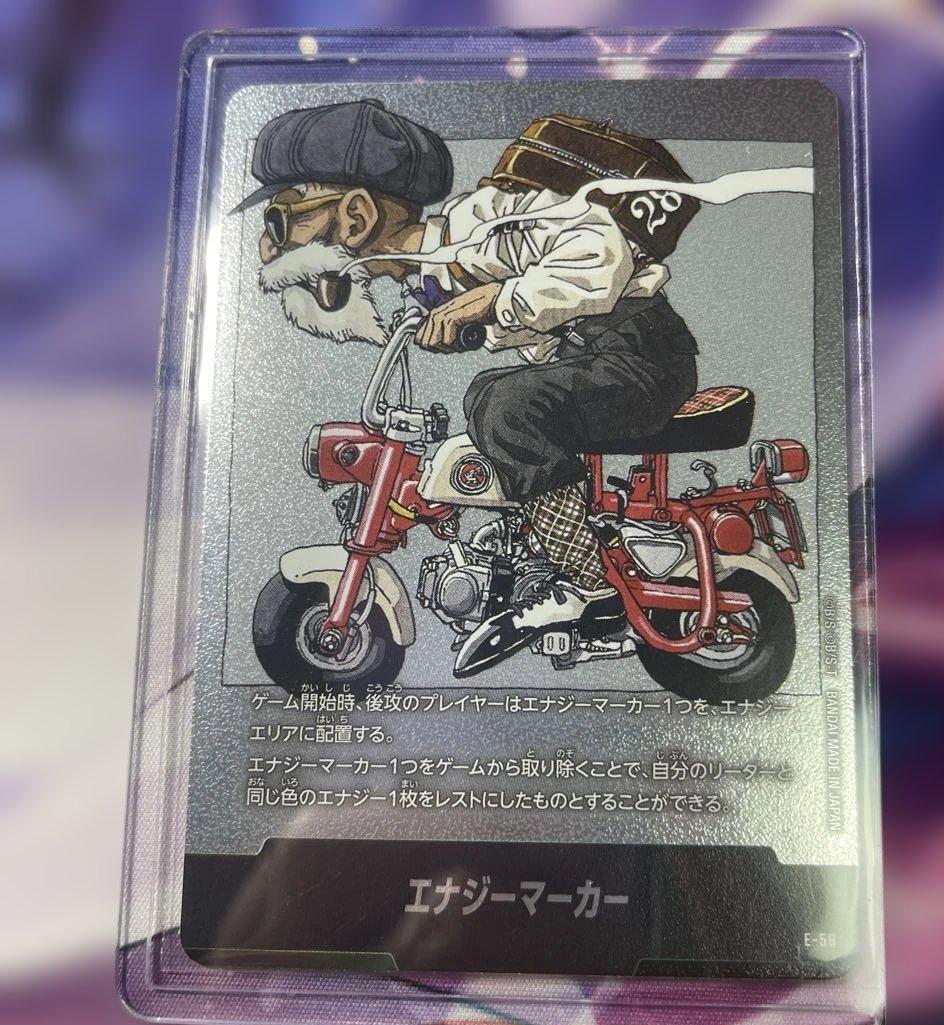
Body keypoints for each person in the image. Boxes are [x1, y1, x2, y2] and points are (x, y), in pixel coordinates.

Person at [238, 100, 698, 676]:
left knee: (507, 406)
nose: (267, 249)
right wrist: (466, 319)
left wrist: (494, 300)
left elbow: (599, 254)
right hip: (593, 359)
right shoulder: (434, 278)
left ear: (356, 217)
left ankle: (589, 584)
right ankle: (533, 555)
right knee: (485, 397)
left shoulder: (490, 222)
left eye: (281, 222)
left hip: (641, 358)